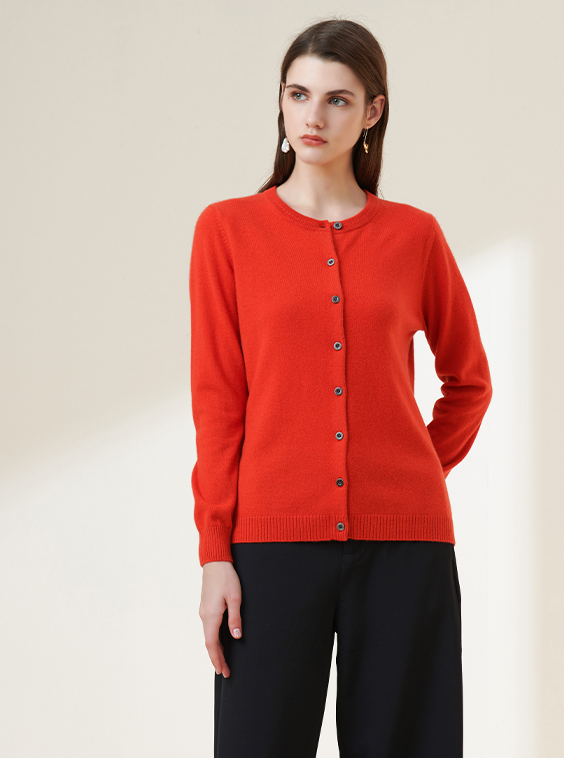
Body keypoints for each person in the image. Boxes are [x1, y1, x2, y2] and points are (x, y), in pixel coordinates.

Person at [190, 18, 493, 758]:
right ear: (281, 102)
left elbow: (469, 381)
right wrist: (214, 551)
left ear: (372, 112)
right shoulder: (227, 231)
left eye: (336, 99)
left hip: (406, 549)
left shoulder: (415, 236)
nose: (313, 117)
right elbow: (219, 401)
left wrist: (410, 469)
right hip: (269, 544)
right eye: (299, 95)